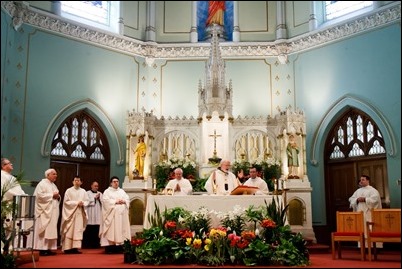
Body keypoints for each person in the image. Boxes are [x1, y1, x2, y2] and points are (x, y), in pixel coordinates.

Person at [99, 176, 131, 254]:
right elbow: (105, 201)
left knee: (121, 229)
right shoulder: (107, 191)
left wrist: (123, 201)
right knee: (112, 230)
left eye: (117, 181)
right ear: (111, 183)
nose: (116, 183)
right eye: (114, 181)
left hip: (121, 216)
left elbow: (127, 199)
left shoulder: (122, 191)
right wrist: (115, 201)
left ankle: (120, 246)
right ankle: (110, 247)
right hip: (112, 216)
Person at [1, 158, 27, 253]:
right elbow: (4, 191)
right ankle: (6, 248)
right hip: (7, 205)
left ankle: (13, 248)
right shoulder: (1, 176)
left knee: (15, 227)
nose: (12, 164)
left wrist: (24, 195)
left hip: (15, 204)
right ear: (3, 166)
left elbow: (19, 190)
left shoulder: (12, 177)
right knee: (7, 227)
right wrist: (18, 195)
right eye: (9, 163)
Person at [33, 168, 61, 256]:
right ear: (48, 175)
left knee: (51, 230)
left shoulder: (53, 185)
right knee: (44, 230)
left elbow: (56, 196)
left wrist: (58, 197)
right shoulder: (42, 184)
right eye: (54, 174)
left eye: (56, 174)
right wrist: (52, 195)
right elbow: (39, 196)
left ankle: (48, 248)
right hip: (44, 211)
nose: (56, 176)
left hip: (52, 210)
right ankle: (42, 248)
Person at [348, 175, 382, 246]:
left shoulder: (373, 191)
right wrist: (357, 200)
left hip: (369, 214)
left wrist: (365, 199)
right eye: (360, 180)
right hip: (360, 213)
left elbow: (375, 200)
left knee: (369, 229)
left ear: (367, 181)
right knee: (361, 229)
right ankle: (362, 246)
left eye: (363, 180)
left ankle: (373, 247)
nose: (361, 181)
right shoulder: (358, 191)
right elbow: (351, 199)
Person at [60, 176, 89, 254]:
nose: (77, 182)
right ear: (73, 182)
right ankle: (67, 248)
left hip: (79, 213)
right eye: (75, 180)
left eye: (78, 180)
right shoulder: (68, 191)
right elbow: (66, 202)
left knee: (77, 230)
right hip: (70, 214)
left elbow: (87, 201)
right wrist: (77, 203)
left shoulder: (83, 191)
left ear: (81, 182)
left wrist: (83, 203)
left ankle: (75, 248)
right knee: (70, 230)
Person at [82, 180, 102, 249]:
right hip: (90, 212)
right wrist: (94, 198)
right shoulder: (87, 193)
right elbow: (86, 202)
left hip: (97, 213)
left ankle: (96, 244)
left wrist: (99, 199)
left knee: (96, 228)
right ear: (91, 186)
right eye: (95, 186)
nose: (96, 187)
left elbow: (103, 203)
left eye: (97, 186)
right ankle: (87, 244)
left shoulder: (100, 193)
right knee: (89, 228)